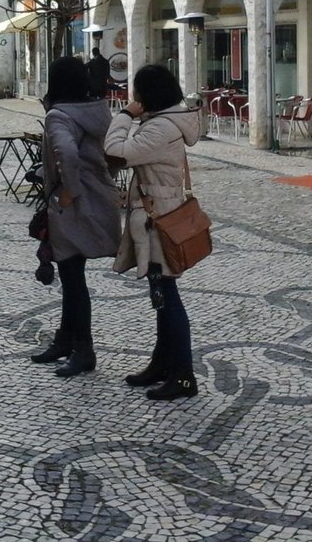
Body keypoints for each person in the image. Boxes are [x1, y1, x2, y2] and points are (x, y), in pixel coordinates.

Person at [103, 63, 201, 401]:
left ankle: (184, 375)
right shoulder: (164, 123)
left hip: (159, 220)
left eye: (136, 91)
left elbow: (116, 152)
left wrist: (124, 115)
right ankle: (162, 363)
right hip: (158, 214)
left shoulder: (160, 128)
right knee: (160, 294)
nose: (133, 96)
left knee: (168, 297)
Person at [30, 56, 121, 378]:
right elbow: (114, 151)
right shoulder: (98, 110)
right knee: (72, 273)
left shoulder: (59, 115)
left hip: (74, 204)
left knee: (73, 279)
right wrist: (101, 174)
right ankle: (65, 340)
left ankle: (84, 349)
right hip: (100, 198)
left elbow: (66, 152)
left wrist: (69, 190)